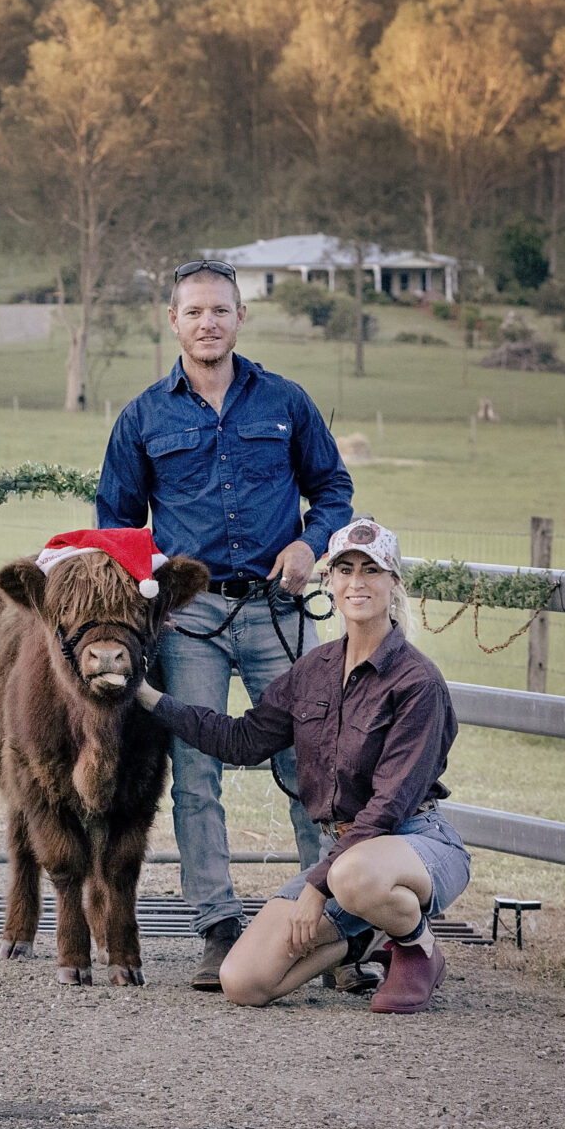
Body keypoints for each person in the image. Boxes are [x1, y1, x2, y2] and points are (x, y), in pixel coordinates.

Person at [96, 258, 355, 990]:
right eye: (194, 311)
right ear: (173, 321)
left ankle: (329, 923)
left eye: (221, 309)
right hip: (192, 618)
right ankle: (218, 926)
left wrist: (311, 541)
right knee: (198, 773)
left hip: (277, 609)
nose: (208, 322)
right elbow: (117, 523)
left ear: (241, 318)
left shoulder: (285, 401)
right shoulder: (144, 416)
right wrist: (152, 588)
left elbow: (332, 486)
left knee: (307, 762)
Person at [131, 518, 469, 1013]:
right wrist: (149, 697)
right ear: (328, 582)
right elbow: (243, 741)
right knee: (243, 982)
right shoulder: (314, 669)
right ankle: (363, 936)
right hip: (345, 856)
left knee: (354, 877)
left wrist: (316, 886)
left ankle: (419, 948)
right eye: (345, 570)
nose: (357, 583)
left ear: (394, 584)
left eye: (372, 570)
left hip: (411, 845)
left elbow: (390, 806)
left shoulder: (417, 682)